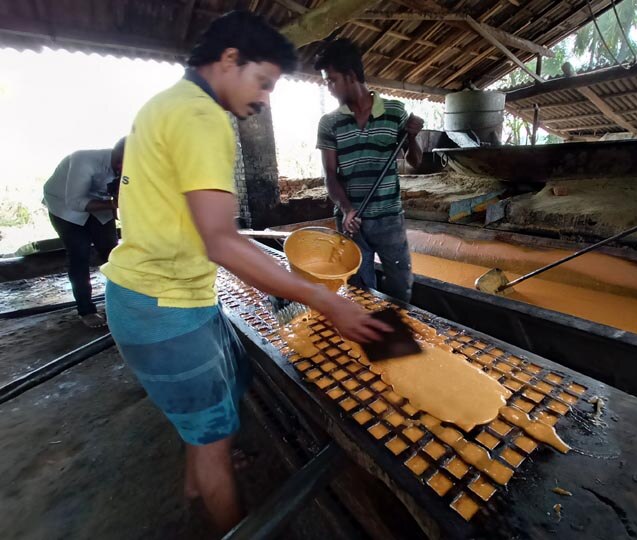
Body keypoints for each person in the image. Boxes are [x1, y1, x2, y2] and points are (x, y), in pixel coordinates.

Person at [101, 11, 390, 534]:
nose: (264, 98)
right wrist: (326, 299)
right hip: (163, 309)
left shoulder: (168, 103)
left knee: (223, 400)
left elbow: (201, 231)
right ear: (230, 60)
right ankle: (222, 500)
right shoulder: (200, 116)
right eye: (263, 81)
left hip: (161, 296)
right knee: (211, 433)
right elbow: (221, 240)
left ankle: (203, 470)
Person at [315, 39, 425, 303]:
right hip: (353, 222)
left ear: (351, 76)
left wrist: (412, 137)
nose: (328, 87)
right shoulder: (329, 123)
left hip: (389, 219)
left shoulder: (395, 112)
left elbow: (416, 162)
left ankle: (402, 332)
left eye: (331, 80)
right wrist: (346, 209)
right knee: (360, 291)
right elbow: (330, 175)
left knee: (401, 286)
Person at [42, 138, 125, 327]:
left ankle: (123, 303)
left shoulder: (129, 165)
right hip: (65, 206)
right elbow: (76, 202)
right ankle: (86, 310)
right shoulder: (83, 160)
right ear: (120, 164)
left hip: (100, 204)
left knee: (113, 253)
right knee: (79, 253)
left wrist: (117, 207)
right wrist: (114, 204)